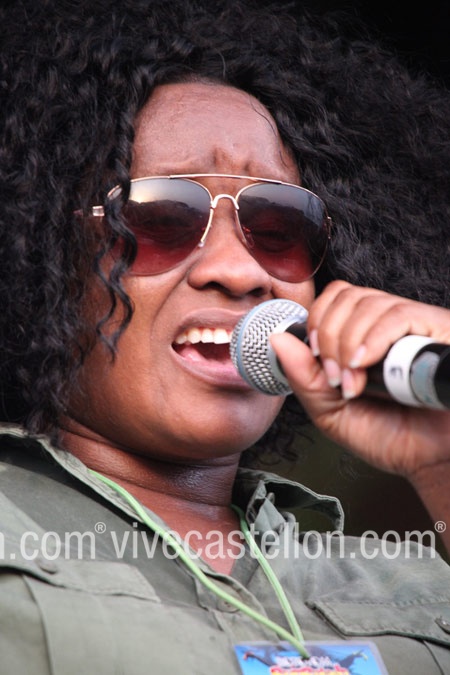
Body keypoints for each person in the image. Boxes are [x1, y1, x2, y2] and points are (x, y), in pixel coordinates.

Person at [1, 0, 450, 673]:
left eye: (278, 229)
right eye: (159, 219)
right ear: (35, 252)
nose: (239, 271)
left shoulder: (414, 579)